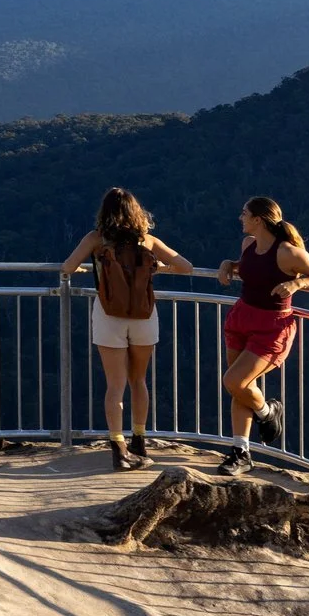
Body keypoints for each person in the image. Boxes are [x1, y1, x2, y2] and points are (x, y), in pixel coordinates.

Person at [60, 187, 196, 470]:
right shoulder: (147, 240)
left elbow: (67, 267)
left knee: (115, 386)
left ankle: (118, 448)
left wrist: (91, 268)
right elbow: (186, 267)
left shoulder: (96, 240)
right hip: (144, 315)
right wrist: (157, 266)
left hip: (109, 315)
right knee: (139, 381)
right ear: (136, 212)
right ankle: (140, 439)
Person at [214, 195, 309, 475]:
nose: (240, 218)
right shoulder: (248, 245)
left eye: (244, 213)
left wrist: (298, 282)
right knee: (238, 386)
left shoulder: (288, 252)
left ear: (258, 219)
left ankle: (268, 413)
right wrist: (227, 264)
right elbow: (249, 268)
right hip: (241, 317)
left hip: (271, 326)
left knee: (235, 380)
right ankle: (241, 451)